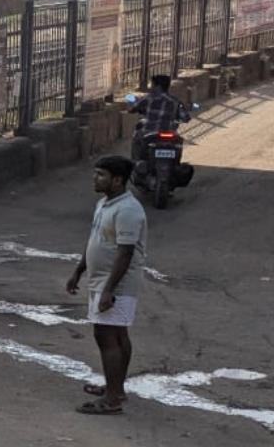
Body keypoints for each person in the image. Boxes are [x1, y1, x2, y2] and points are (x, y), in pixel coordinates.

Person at [66, 156, 147, 416]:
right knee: (117, 335)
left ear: (117, 179)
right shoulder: (105, 204)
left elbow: (125, 253)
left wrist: (110, 290)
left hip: (116, 283)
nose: (95, 178)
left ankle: (112, 399)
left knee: (107, 336)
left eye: (101, 175)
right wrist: (79, 270)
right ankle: (115, 388)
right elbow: (95, 239)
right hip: (101, 280)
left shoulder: (128, 210)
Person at [129, 74, 191, 161]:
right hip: (169, 133)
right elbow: (186, 118)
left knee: (136, 140)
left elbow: (133, 109)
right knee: (178, 143)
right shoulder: (176, 101)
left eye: (152, 85)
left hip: (149, 132)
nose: (151, 87)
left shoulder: (148, 98)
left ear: (158, 86)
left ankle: (136, 164)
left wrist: (133, 108)